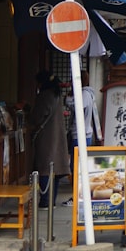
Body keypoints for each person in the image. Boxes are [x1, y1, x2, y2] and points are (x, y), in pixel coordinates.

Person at [32, 70, 71, 208]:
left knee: (45, 168)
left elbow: (38, 116)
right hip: (57, 136)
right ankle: (51, 200)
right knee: (54, 170)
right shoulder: (57, 95)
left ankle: (45, 201)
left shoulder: (45, 96)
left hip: (47, 138)